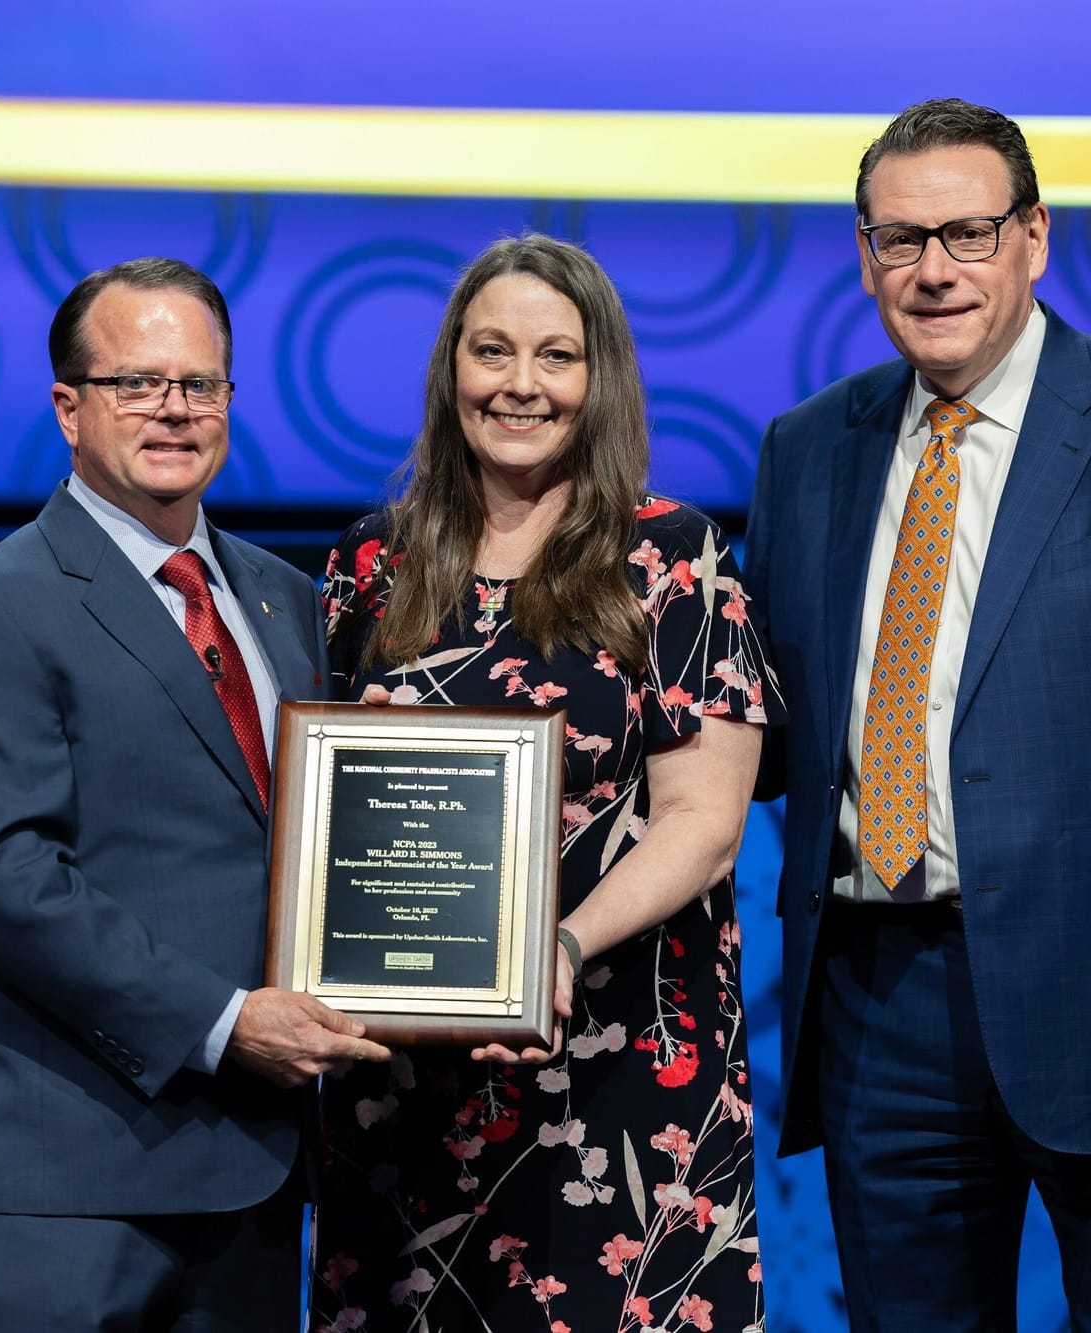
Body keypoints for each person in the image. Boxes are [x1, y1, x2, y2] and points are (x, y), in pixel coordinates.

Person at [745, 99, 1091, 1330]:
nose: (933, 270)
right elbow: (753, 728)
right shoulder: (806, 451)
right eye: (900, 240)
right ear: (862, 256)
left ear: (1033, 237)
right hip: (875, 1009)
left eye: (965, 232)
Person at [0, 256, 390, 1331]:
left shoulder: (287, 602)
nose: (172, 407)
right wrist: (224, 1022)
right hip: (64, 1168)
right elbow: (6, 877)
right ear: (68, 408)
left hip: (255, 1165)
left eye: (198, 384)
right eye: (135, 382)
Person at [309, 233, 781, 1333]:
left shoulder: (672, 561)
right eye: (492, 352)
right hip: (407, 1088)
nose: (520, 384)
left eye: (555, 357)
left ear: (597, 378)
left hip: (623, 1077)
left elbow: (705, 825)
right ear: (450, 371)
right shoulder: (366, 565)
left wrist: (556, 947)